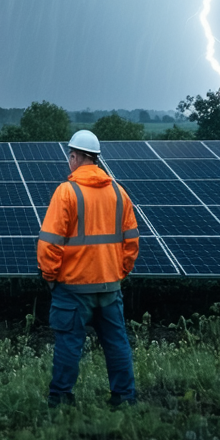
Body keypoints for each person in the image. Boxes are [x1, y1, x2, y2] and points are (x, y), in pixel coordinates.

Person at [37, 129, 140, 407]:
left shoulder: (66, 193)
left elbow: (49, 243)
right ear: (95, 159)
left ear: (74, 157)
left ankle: (61, 399)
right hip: (109, 285)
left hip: (72, 287)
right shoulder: (119, 193)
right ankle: (124, 398)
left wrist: (49, 276)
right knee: (116, 343)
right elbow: (131, 242)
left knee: (69, 344)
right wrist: (120, 273)